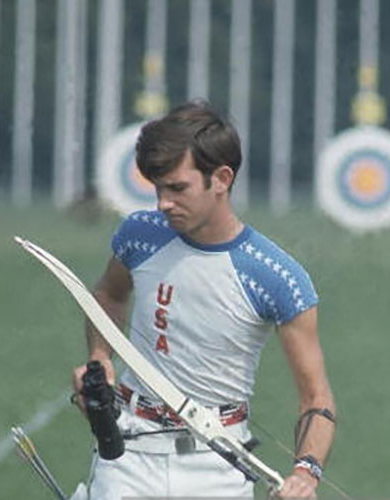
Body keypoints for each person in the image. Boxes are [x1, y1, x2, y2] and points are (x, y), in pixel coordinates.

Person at [72, 100, 335, 499]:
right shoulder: (140, 235)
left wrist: (306, 472)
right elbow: (108, 295)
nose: (163, 203)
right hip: (128, 455)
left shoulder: (277, 277)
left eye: (178, 188)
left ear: (222, 178)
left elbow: (316, 397)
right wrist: (99, 358)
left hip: (218, 467)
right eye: (158, 188)